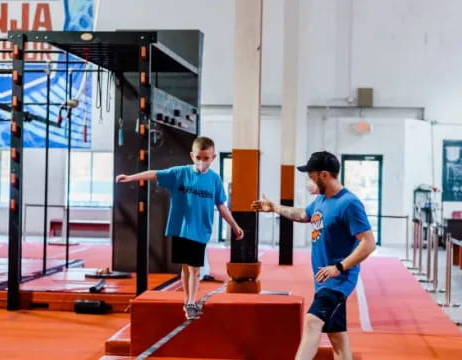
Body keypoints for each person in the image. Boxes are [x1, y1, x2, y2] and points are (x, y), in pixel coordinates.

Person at [251, 151, 376, 360]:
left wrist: (339, 267)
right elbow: (302, 214)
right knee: (338, 338)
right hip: (323, 280)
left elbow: (368, 243)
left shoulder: (349, 204)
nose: (309, 181)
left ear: (324, 174)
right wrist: (274, 207)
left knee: (312, 321)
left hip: (338, 281)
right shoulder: (320, 200)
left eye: (311, 176)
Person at [116, 136, 244, 320]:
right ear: (192, 156)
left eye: (206, 158)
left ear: (213, 157)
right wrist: (130, 178)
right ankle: (187, 300)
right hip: (181, 227)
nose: (202, 162)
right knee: (186, 267)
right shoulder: (180, 173)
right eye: (199, 157)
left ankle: (191, 302)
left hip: (200, 230)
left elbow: (221, 205)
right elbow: (155, 173)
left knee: (195, 269)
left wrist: (234, 225)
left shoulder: (215, 179)